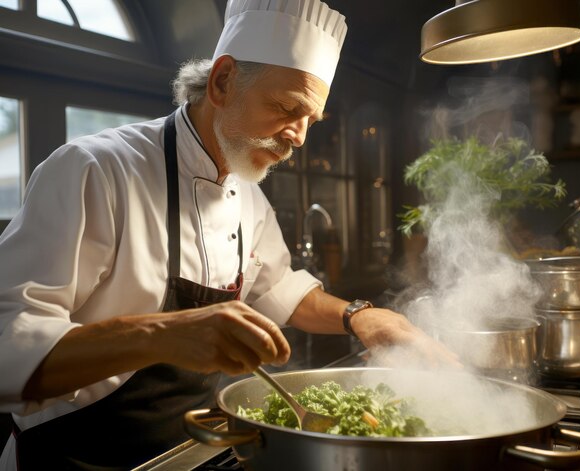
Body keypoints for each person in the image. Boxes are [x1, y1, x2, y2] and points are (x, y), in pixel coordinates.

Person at [0, 0, 458, 469]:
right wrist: (161, 334)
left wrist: (363, 316)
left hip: (192, 450)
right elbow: (7, 347)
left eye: (310, 121)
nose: (300, 137)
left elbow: (277, 290)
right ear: (223, 81)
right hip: (76, 457)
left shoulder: (247, 192)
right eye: (286, 108)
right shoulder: (95, 170)